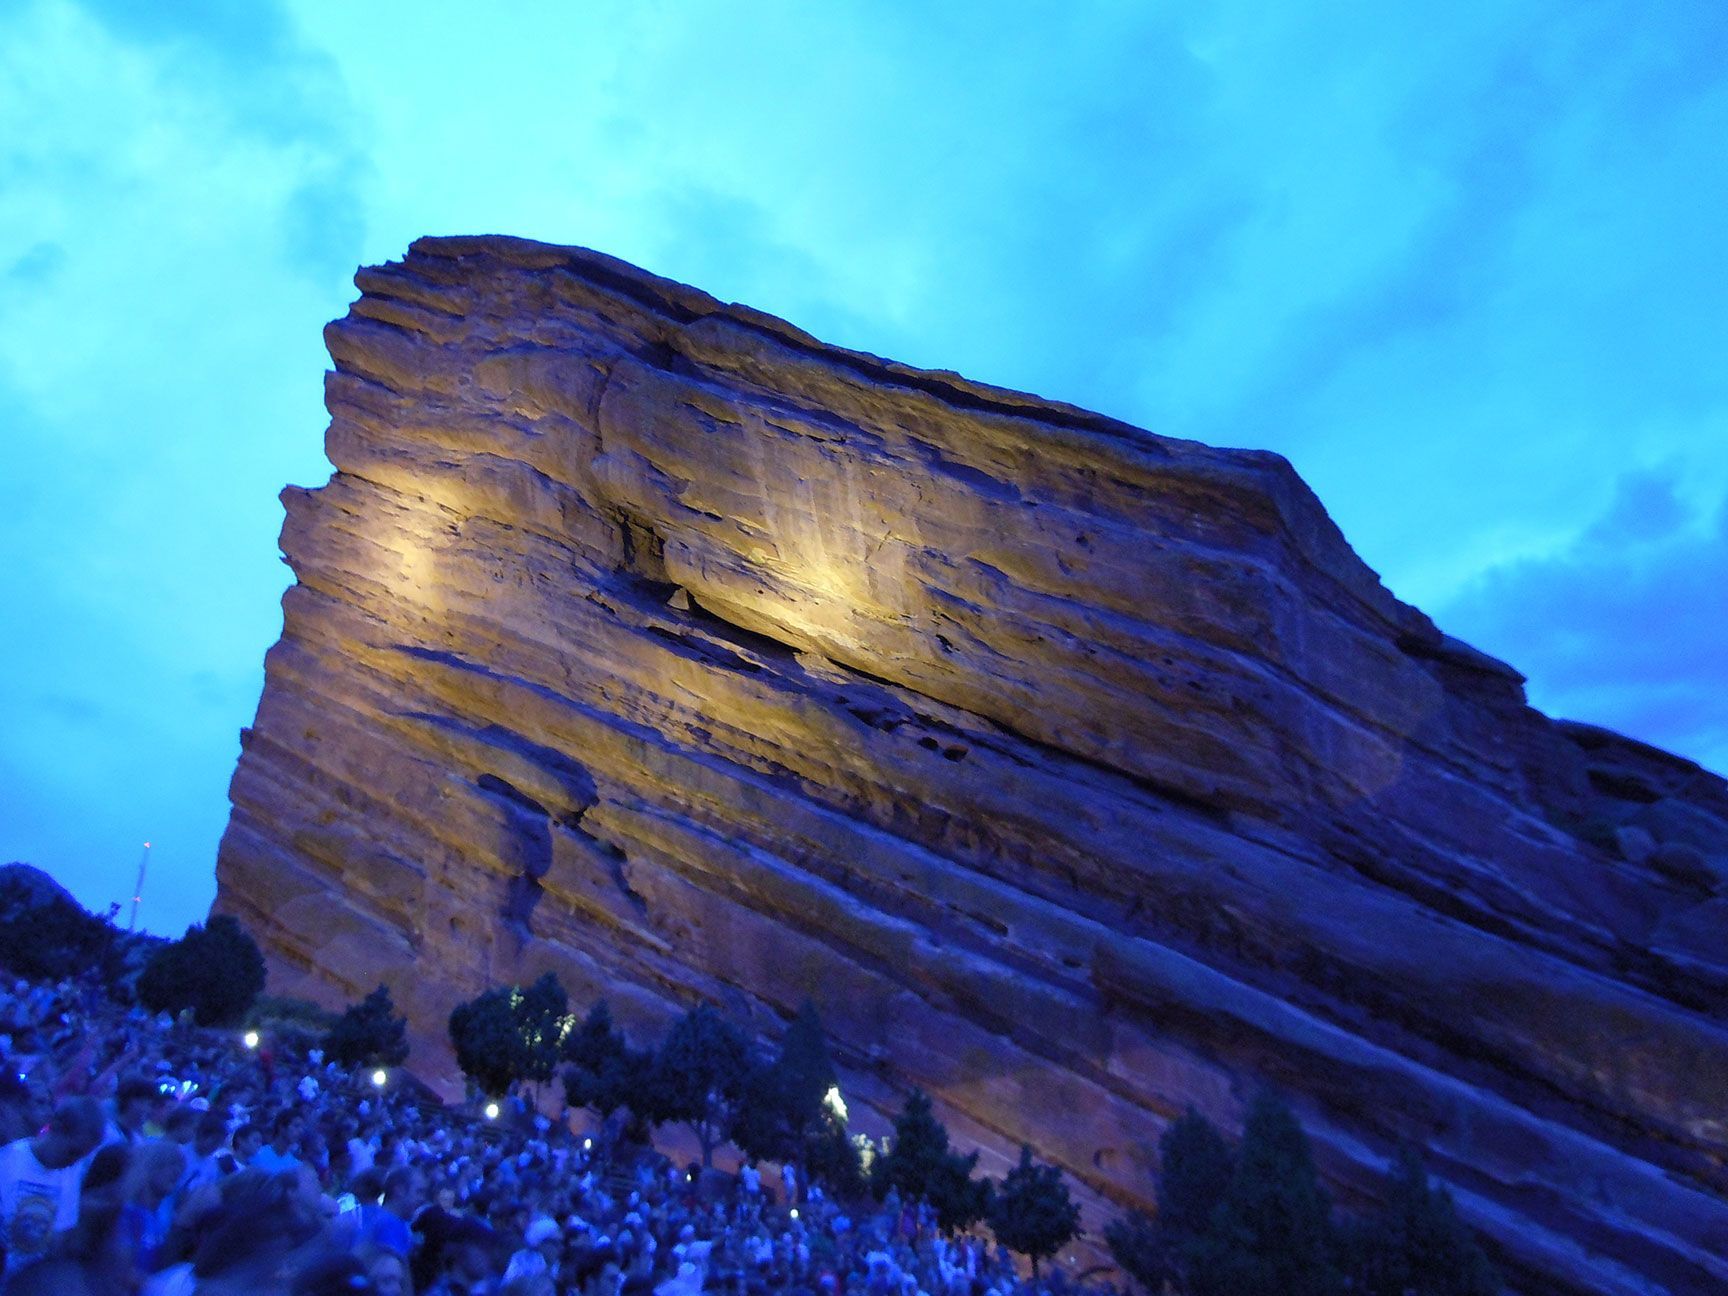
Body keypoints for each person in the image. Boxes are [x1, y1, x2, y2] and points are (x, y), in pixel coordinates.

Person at [0, 1094, 104, 1276]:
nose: (73, 1162)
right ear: (55, 1127)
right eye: (72, 1152)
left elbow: (61, 1234)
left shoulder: (71, 1171)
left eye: (81, 1157)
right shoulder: (7, 1161)